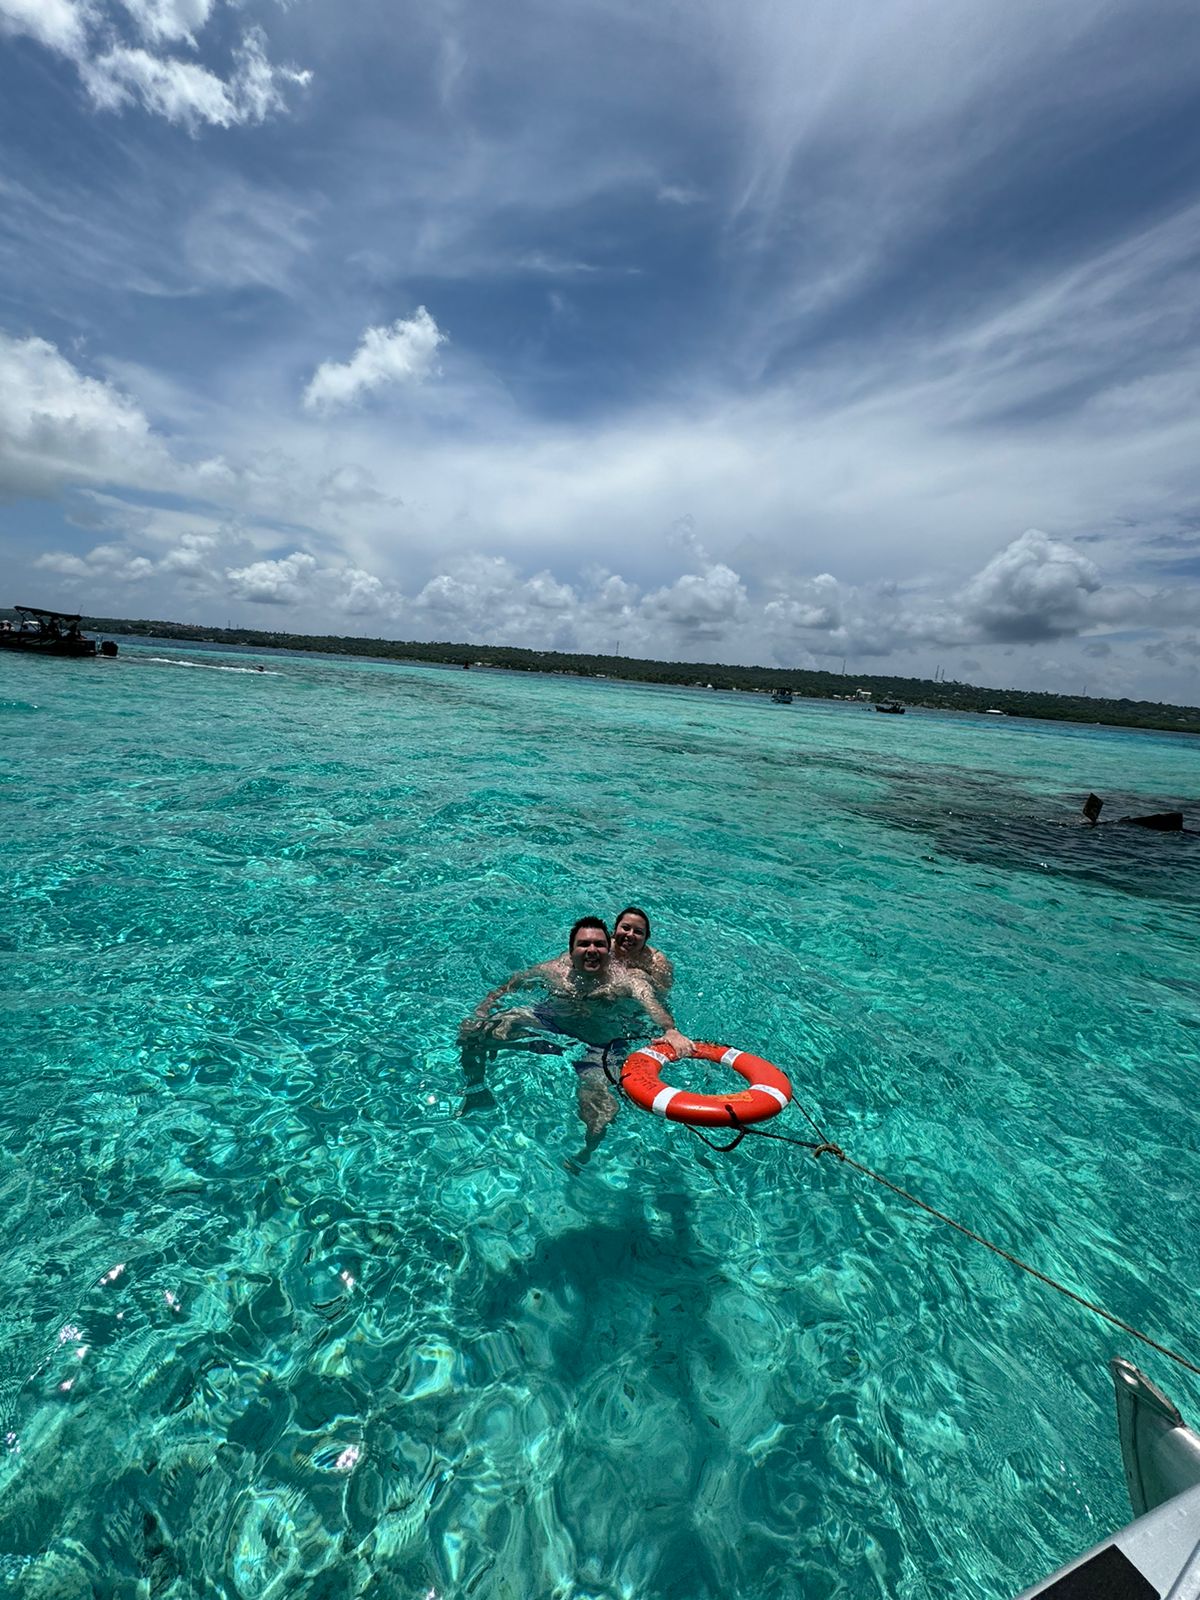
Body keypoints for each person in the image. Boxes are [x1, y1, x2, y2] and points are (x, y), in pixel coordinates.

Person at [459, 915, 692, 1152]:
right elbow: (510, 985)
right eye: (584, 945)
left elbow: (651, 1003)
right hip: (552, 1023)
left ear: (608, 950)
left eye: (599, 945)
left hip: (601, 1043)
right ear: (571, 951)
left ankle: (585, 1156)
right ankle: (476, 1090)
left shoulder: (628, 980)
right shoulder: (554, 970)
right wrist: (482, 1010)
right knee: (475, 1034)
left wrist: (670, 1030)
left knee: (598, 1110)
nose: (592, 950)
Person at [611, 905, 673, 994]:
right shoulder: (603, 947)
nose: (630, 934)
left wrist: (649, 979)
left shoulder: (656, 961)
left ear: (646, 938)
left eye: (638, 932)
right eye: (625, 928)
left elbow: (663, 993)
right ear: (615, 928)